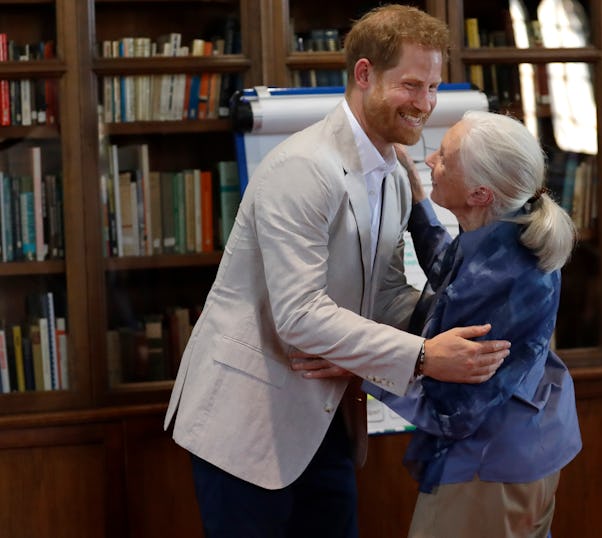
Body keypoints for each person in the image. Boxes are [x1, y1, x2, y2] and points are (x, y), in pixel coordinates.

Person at [163, 5, 511, 537]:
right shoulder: (305, 167)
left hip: (328, 418)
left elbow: (387, 292)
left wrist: (463, 315)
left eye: (434, 87)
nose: (425, 105)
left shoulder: (395, 174)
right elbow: (299, 316)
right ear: (365, 74)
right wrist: (422, 356)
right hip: (247, 424)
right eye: (412, 85)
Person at [371, 110, 583, 537]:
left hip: (489, 468)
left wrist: (356, 365)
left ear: (480, 194)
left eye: (445, 159)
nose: (429, 163)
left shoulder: (503, 274)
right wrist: (417, 206)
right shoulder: (507, 233)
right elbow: (453, 278)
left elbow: (452, 408)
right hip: (525, 449)